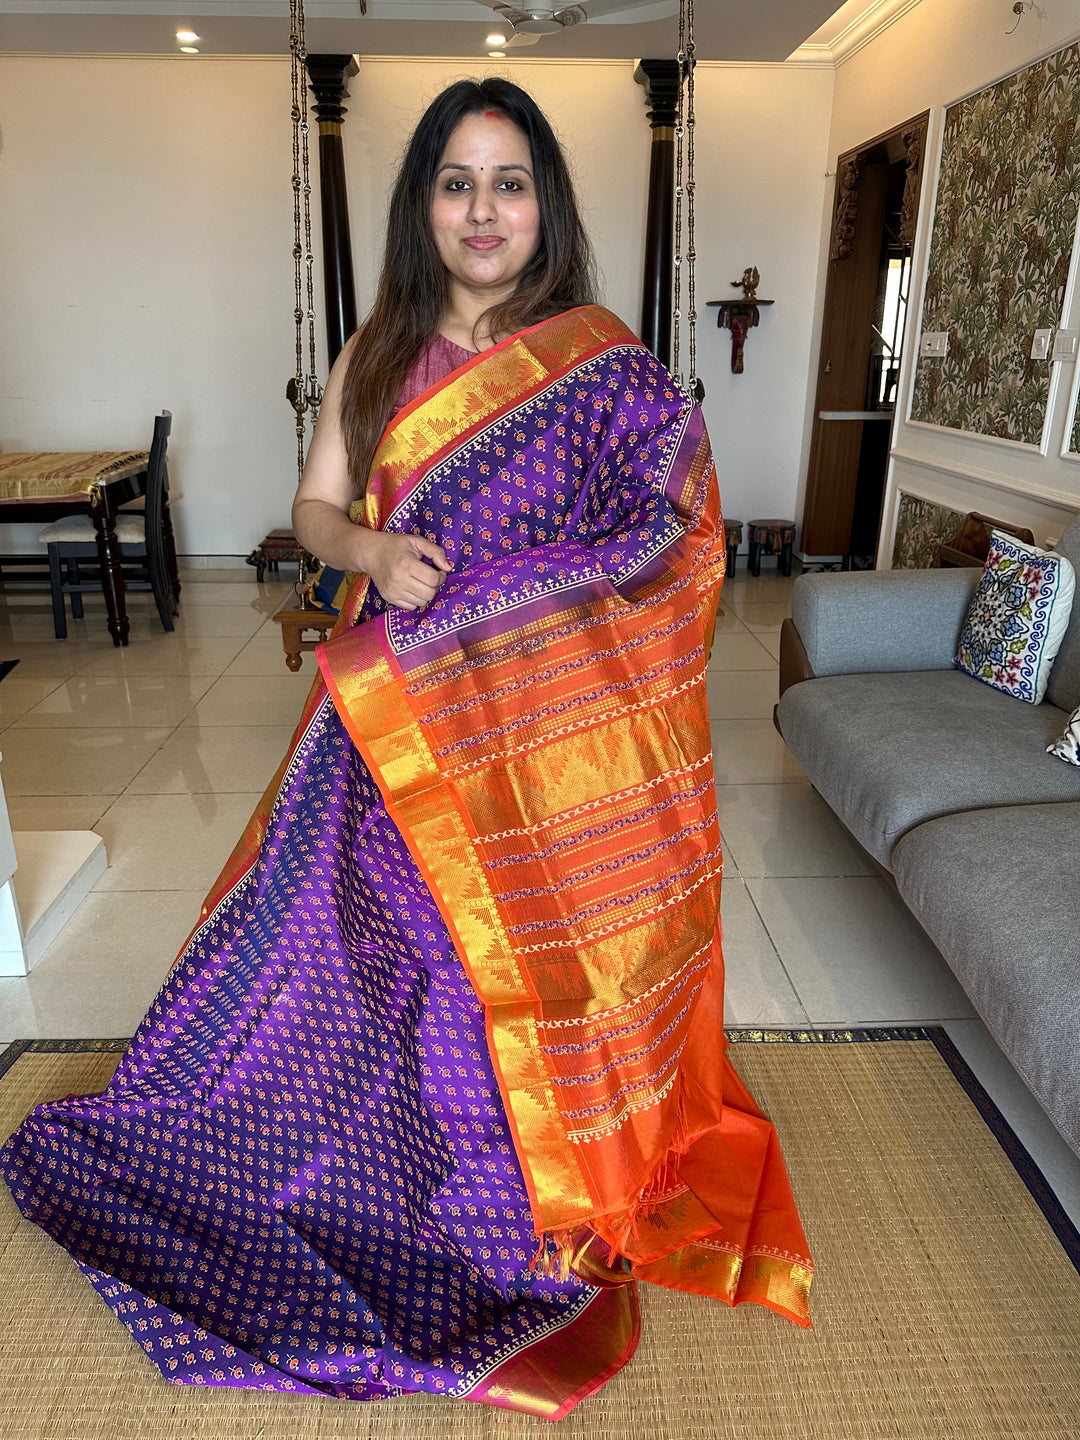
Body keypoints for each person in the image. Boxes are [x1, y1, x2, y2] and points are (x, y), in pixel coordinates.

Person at [1, 79, 812, 1420]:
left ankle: (506, 1208)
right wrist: (371, 550)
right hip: (394, 734)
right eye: (455, 181)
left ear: (544, 199)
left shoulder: (599, 360)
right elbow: (315, 513)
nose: (482, 211)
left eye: (507, 182)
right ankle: (367, 1178)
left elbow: (668, 528)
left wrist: (519, 605)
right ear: (420, 202)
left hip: (539, 754)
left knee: (508, 969)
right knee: (358, 963)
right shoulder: (376, 352)